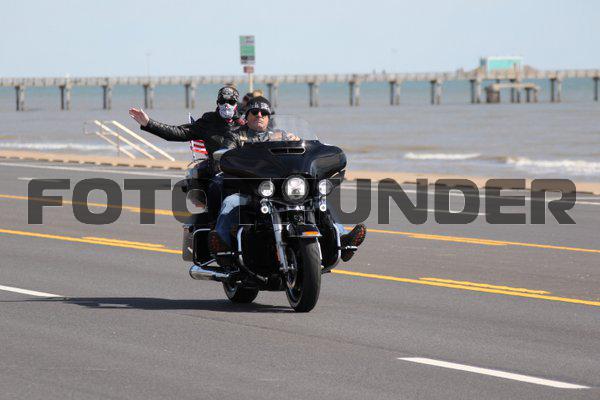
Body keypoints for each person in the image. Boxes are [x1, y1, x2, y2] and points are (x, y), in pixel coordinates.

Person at [208, 96, 366, 263]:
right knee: (231, 202)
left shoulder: (280, 135)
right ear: (247, 116)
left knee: (320, 199)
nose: (259, 115)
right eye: (255, 112)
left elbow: (298, 154)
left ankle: (343, 241)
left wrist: (300, 143)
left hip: (281, 189)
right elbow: (225, 157)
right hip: (250, 189)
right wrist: (225, 155)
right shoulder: (234, 136)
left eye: (264, 113)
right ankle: (223, 247)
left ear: (269, 117)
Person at [128, 86, 244, 215]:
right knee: (214, 208)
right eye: (223, 101)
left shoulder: (245, 123)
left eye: (231, 102)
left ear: (236, 104)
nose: (226, 105)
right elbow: (179, 132)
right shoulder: (209, 121)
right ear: (218, 103)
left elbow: (259, 140)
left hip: (241, 175)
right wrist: (149, 123)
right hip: (217, 174)